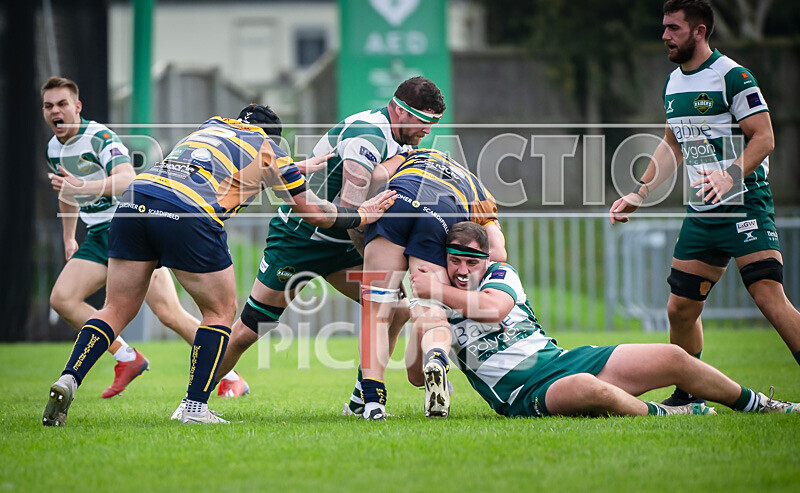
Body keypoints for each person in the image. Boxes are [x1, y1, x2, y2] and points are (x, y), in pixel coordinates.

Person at [42, 104, 397, 426]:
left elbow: (233, 166)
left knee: (115, 308)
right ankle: (194, 406)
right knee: (220, 311)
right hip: (188, 212)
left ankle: (69, 377)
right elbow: (312, 212)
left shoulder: (213, 126)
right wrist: (361, 213)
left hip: (137, 199)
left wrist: (291, 170)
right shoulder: (273, 149)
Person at [212, 77, 445, 411]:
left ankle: (362, 395)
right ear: (398, 109)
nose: (428, 129)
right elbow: (351, 212)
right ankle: (194, 400)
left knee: (395, 309)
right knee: (251, 329)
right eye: (424, 120)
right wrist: (380, 260)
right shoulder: (368, 135)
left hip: (344, 243)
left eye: (434, 122)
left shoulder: (405, 140)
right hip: (302, 238)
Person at [608, 0, 800, 406]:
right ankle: (688, 393)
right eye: (664, 27)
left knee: (767, 294)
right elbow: (672, 144)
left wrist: (730, 174)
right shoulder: (673, 83)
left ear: (699, 31)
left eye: (674, 28)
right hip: (703, 210)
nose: (665, 36)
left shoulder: (733, 76)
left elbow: (764, 138)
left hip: (744, 203)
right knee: (679, 308)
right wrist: (639, 193)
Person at [407, 221, 799, 418]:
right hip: (520, 394)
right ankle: (671, 413)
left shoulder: (500, 276)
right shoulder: (433, 307)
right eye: (453, 260)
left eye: (470, 261)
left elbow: (494, 309)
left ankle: (760, 405)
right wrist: (419, 326)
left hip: (560, 360)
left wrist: (433, 290)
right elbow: (412, 375)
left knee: (675, 358)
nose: (461, 269)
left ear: (487, 260)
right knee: (587, 388)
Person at [41, 76, 246, 399]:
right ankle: (126, 357)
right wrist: (69, 236)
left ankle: (230, 374)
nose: (56, 111)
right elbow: (66, 192)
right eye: (49, 105)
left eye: (62, 104)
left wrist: (83, 188)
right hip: (98, 235)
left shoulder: (99, 138)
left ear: (77, 107)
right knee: (63, 299)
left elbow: (127, 179)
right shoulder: (53, 148)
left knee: (170, 314)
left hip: (130, 227)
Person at [357, 149, 507, 420]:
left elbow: (376, 174)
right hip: (441, 212)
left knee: (375, 312)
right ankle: (437, 357)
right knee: (431, 313)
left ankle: (372, 404)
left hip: (395, 201)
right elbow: (497, 253)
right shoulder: (477, 188)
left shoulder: (411, 154)